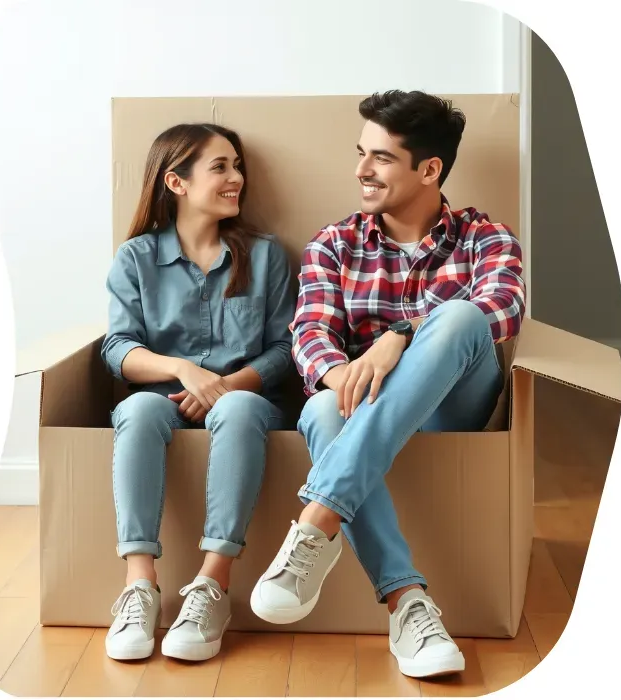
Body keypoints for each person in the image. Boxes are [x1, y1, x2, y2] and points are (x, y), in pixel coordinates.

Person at [250, 90, 526, 679]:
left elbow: (502, 310)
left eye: (379, 158)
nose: (360, 171)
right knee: (324, 411)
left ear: (429, 170)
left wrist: (399, 334)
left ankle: (319, 516)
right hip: (362, 407)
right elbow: (309, 333)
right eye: (359, 153)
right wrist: (337, 372)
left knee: (460, 315)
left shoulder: (486, 236)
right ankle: (409, 604)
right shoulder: (335, 242)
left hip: (453, 408)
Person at [100, 122, 295, 662]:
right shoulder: (136, 258)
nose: (236, 178)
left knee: (238, 407)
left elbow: (284, 350)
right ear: (177, 182)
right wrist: (185, 371)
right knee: (136, 410)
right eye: (221, 167)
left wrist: (225, 385)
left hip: (245, 406)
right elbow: (117, 349)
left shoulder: (266, 254)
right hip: (163, 401)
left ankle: (213, 584)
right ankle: (139, 585)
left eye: (238, 166)